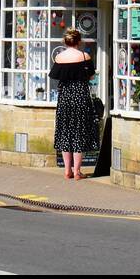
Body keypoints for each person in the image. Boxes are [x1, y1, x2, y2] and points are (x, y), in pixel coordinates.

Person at [50, 29, 97, 180]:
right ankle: (77, 171)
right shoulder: (84, 56)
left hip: (65, 98)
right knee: (79, 131)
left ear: (65, 41)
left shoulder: (59, 57)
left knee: (65, 132)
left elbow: (55, 76)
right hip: (81, 96)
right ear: (79, 41)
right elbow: (90, 76)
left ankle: (67, 170)